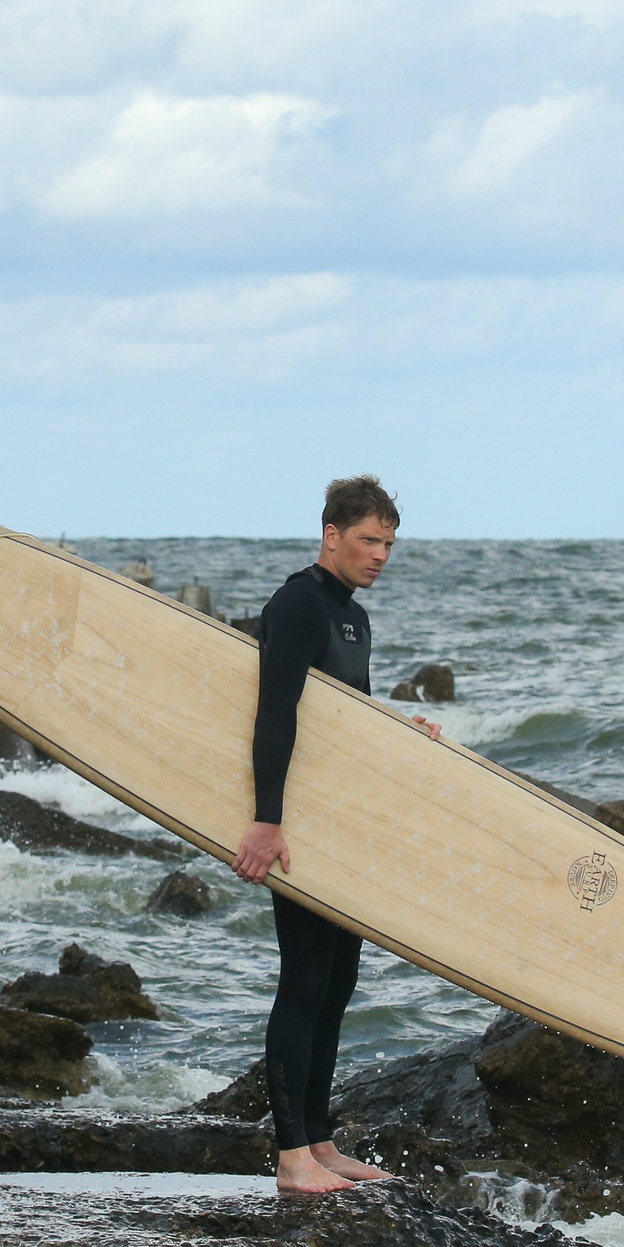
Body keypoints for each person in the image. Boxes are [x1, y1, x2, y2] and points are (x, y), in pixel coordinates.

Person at [231, 474, 440, 1194]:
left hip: (340, 829)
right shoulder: (296, 604)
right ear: (331, 535)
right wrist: (266, 818)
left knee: (339, 982)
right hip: (296, 827)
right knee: (305, 979)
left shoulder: (353, 617)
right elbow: (275, 714)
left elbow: (348, 725)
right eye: (368, 540)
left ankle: (319, 1141)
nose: (380, 554)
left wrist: (404, 737)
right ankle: (290, 1158)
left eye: (388, 543)